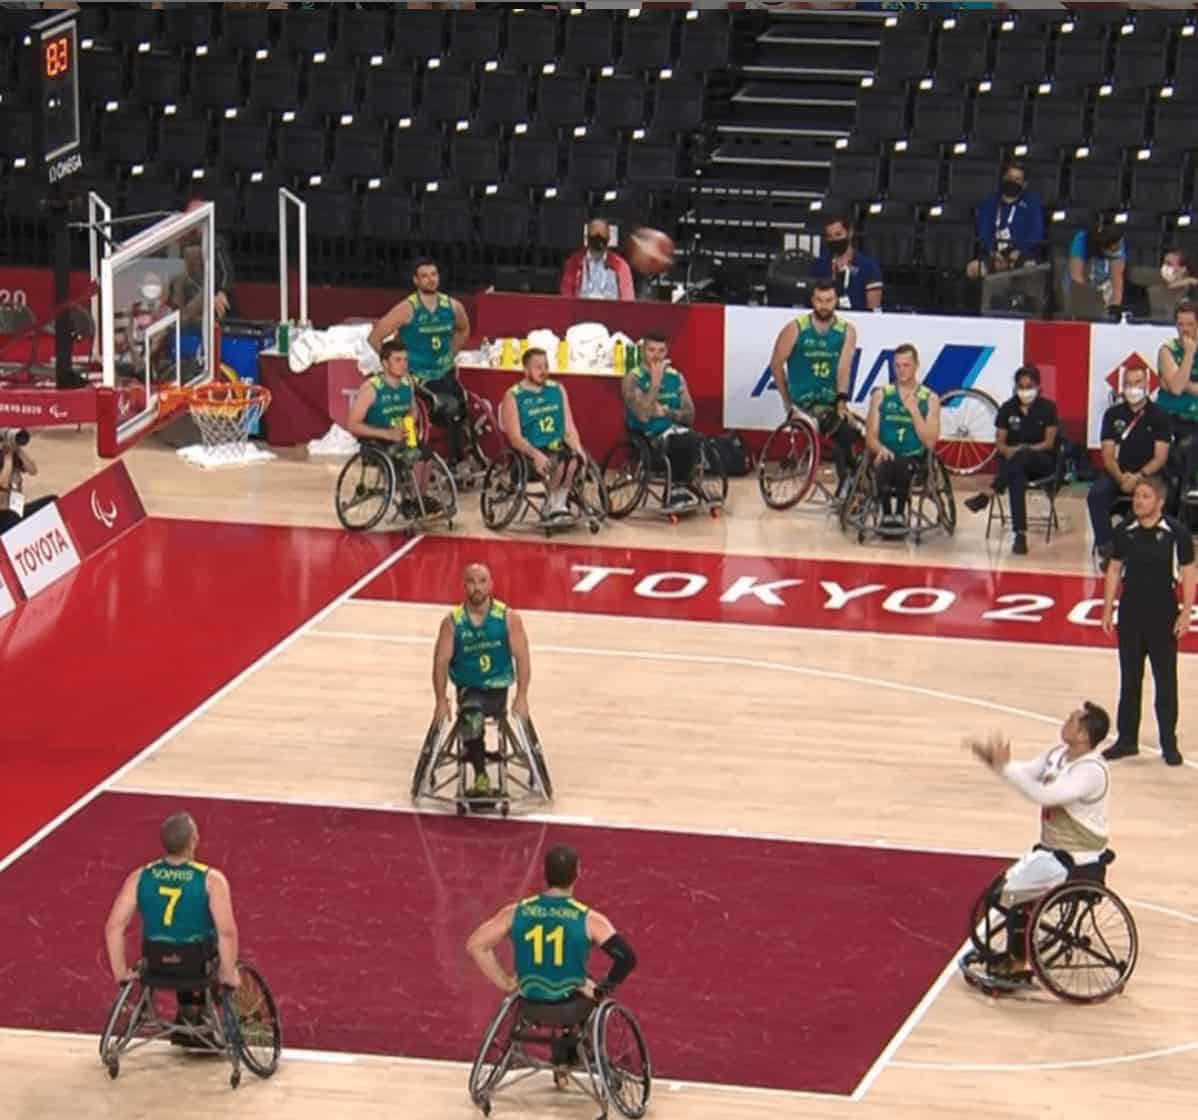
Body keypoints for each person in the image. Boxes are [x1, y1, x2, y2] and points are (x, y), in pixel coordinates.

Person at [466, 843, 638, 1084]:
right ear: (578, 872)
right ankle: (567, 1057)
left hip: (529, 1002)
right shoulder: (589, 919)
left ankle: (562, 1061)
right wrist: (601, 990)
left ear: (544, 873)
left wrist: (505, 982)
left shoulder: (516, 912)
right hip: (570, 1006)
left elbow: (476, 945)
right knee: (584, 986)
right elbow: (626, 958)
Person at [966, 702, 1112, 977]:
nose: (1066, 721)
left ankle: (1018, 961)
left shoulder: (1090, 771)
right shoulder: (1058, 754)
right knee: (999, 893)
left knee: (1016, 897)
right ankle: (1014, 952)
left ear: (1083, 735)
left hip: (1078, 858)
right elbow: (1024, 773)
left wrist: (1004, 768)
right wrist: (999, 765)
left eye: (1072, 719)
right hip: (1053, 850)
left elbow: (1044, 795)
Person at [104, 812, 240, 1040]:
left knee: (174, 941)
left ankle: (187, 1012)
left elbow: (114, 927)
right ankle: (199, 1012)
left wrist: (121, 973)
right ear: (193, 841)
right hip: (196, 963)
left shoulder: (140, 876)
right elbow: (226, 932)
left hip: (156, 962)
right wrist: (228, 973)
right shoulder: (211, 880)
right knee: (209, 947)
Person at [1101, 475, 1195, 768]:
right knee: (1130, 679)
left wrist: (1185, 612)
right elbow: (1114, 570)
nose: (1138, 501)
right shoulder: (1124, 532)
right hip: (1130, 613)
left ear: (1160, 501)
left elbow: (1189, 573)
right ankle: (1126, 740)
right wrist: (1107, 609)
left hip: (1163, 613)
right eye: (1137, 496)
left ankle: (1169, 742)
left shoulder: (1176, 533)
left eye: (1145, 496)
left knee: (1165, 681)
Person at [433, 563, 531, 796]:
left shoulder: (508, 618)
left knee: (475, 714)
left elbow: (523, 658)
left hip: (497, 690)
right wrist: (440, 700)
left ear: (491, 584)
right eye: (471, 582)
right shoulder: (452, 622)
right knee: (471, 714)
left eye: (482, 581)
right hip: (468, 690)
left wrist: (522, 696)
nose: (477, 587)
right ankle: (480, 774)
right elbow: (440, 663)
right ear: (463, 585)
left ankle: (478, 762)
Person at [368, 259, 472, 464]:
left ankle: (461, 458)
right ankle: (419, 456)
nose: (430, 279)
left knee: (465, 409)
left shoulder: (452, 306)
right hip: (418, 377)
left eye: (433, 274)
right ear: (416, 280)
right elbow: (374, 338)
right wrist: (394, 366)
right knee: (447, 408)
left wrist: (451, 352)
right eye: (424, 276)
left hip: (444, 372)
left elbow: (464, 329)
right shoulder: (407, 308)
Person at [769, 280, 860, 492]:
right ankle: (846, 483)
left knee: (860, 431)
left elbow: (844, 369)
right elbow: (776, 365)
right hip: (805, 402)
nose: (824, 305)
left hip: (829, 403)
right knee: (843, 431)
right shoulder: (795, 328)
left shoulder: (846, 331)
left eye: (829, 300)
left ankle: (859, 479)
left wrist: (841, 401)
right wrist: (787, 403)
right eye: (819, 300)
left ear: (836, 300)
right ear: (812, 300)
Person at [963, 365, 1059, 555]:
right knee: (1017, 478)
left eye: (1029, 386)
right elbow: (1000, 444)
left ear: (1038, 387)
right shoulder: (1008, 408)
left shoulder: (1048, 408)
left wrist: (1026, 450)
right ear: (1015, 388)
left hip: (1042, 462)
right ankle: (1020, 536)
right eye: (1021, 387)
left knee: (1024, 455)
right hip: (1014, 464)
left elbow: (1049, 443)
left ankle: (989, 493)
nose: (1025, 391)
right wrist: (1009, 451)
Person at [1087, 365, 1170, 568]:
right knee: (1096, 495)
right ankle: (1108, 549)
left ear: (1147, 385)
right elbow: (1107, 454)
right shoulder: (1112, 414)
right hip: (1118, 473)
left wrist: (1138, 477)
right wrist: (1121, 477)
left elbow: (1161, 457)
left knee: (1147, 497)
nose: (1133, 388)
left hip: (1149, 475)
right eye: (1128, 384)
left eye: (1137, 383)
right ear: (1122, 387)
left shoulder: (1158, 415)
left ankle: (1141, 549)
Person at [346, 337, 438, 516]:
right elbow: (352, 425)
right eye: (398, 360)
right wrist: (387, 434)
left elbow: (413, 411)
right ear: (385, 364)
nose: (403, 365)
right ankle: (413, 501)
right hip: (376, 441)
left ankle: (419, 498)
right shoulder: (371, 389)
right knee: (416, 459)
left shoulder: (407, 383)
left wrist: (409, 433)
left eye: (405, 360)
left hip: (400, 436)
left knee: (427, 456)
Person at [498, 347, 587, 521]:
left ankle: (558, 503)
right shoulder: (513, 395)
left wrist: (578, 448)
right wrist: (535, 454)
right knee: (559, 462)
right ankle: (551, 505)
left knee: (574, 459)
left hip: (556, 447)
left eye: (546, 366)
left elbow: (569, 427)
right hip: (529, 452)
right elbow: (514, 437)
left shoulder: (557, 389)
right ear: (526, 370)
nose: (544, 371)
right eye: (538, 367)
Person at [622, 330, 702, 510]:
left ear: (666, 352)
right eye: (651, 350)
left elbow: (690, 415)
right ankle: (674, 490)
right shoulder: (632, 378)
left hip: (671, 430)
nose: (656, 356)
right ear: (643, 351)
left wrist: (667, 412)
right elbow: (643, 415)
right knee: (681, 442)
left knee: (693, 439)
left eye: (661, 351)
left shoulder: (676, 377)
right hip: (645, 435)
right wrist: (655, 385)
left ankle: (679, 486)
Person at [865, 343, 941, 529]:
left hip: (914, 457)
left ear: (916, 366)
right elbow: (870, 436)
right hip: (885, 454)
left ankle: (899, 512)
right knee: (885, 460)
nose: (901, 370)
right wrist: (879, 448)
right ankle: (887, 513)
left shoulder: (929, 398)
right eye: (897, 366)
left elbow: (930, 442)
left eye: (906, 365)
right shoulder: (881, 395)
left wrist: (914, 412)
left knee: (902, 463)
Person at [966, 160, 1045, 280]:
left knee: (1030, 268)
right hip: (995, 254)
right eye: (1010, 177)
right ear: (1003, 178)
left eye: (1017, 179)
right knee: (973, 268)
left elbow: (1036, 234)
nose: (1013, 181)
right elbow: (984, 232)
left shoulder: (1032, 203)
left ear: (1024, 184)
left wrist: (1019, 251)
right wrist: (993, 252)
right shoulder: (991, 201)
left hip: (1023, 254)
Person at [1155, 301, 1198, 502]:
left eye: (1189, 324)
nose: (1185, 330)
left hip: (1194, 421)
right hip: (1168, 419)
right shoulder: (1167, 350)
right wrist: (1189, 353)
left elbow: (1175, 384)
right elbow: (1177, 388)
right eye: (1180, 324)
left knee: (1190, 446)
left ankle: (1184, 503)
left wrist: (1177, 380)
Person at [810, 215, 883, 312]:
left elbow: (874, 308)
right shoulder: (820, 265)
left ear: (850, 233)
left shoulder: (868, 266)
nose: (834, 240)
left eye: (838, 234)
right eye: (829, 236)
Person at [1066, 211, 1126, 317]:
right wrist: (1089, 304)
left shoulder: (1118, 243)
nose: (1118, 249)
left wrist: (1114, 308)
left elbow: (1117, 281)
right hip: (1080, 287)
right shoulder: (1081, 239)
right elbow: (1076, 278)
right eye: (1113, 248)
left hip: (1104, 287)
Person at [559, 218, 634, 301]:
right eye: (594, 239)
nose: (599, 244)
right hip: (580, 311)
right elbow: (566, 298)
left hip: (612, 311)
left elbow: (628, 300)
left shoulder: (621, 265)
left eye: (603, 240)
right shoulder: (573, 263)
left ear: (609, 239)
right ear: (587, 238)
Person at [0, 431, 54, 535]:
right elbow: (3, 483)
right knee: (13, 518)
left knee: (52, 501)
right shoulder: (6, 458)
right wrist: (8, 457)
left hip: (16, 510)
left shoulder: (11, 456)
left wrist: (18, 450)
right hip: (3, 515)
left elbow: (33, 470)